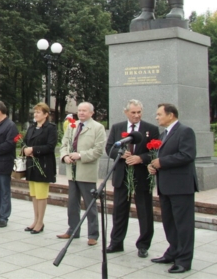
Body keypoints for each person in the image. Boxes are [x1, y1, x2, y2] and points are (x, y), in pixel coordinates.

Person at [105, 99, 160, 258]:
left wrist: (140, 158)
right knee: (119, 210)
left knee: (144, 211)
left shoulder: (151, 129)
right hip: (122, 175)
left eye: (139, 112)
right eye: (133, 112)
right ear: (126, 112)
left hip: (141, 176)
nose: (136, 115)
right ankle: (116, 243)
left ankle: (143, 245)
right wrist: (120, 155)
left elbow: (155, 152)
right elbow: (109, 149)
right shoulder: (117, 128)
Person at [148, 103, 197, 274]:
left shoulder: (185, 131)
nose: (157, 117)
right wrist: (154, 166)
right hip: (165, 186)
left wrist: (162, 162)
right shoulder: (163, 135)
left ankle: (184, 260)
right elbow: (159, 157)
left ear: (171, 115)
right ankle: (173, 252)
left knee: (183, 224)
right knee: (169, 223)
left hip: (181, 187)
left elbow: (187, 155)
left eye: (159, 114)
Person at [58, 102, 106, 246]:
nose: (81, 113)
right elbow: (64, 144)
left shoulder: (98, 127)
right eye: (79, 110)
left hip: (86, 171)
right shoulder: (73, 126)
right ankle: (73, 229)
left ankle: (93, 234)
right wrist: (65, 156)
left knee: (90, 204)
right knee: (72, 203)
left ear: (92, 113)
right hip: (72, 171)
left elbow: (98, 150)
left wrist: (80, 155)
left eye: (84, 111)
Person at [23, 102, 57, 235]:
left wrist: (34, 150)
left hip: (43, 164)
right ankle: (35, 219)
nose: (35, 115)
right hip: (32, 164)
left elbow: (50, 146)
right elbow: (26, 142)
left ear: (46, 114)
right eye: (35, 112)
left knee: (41, 195)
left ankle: (40, 222)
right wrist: (26, 149)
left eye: (38, 112)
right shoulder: (32, 128)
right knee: (34, 194)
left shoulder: (50, 128)